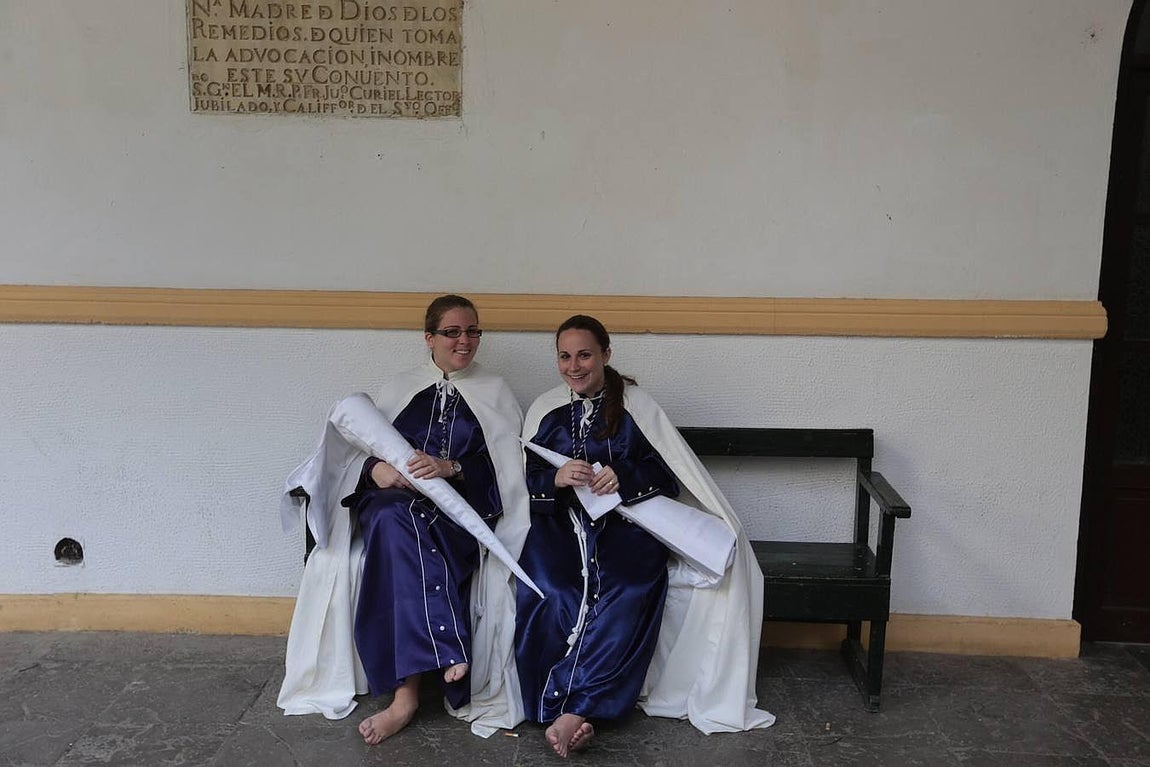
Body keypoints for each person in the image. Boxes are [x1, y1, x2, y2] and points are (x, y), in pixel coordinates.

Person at [516, 315, 774, 757]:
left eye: (584, 355)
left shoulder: (637, 405)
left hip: (630, 524)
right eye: (564, 356)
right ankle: (569, 707)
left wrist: (624, 476)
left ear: (605, 355)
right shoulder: (544, 408)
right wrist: (556, 478)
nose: (573, 366)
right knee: (554, 589)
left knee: (630, 585)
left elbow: (670, 472)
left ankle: (577, 709)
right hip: (560, 524)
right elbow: (524, 476)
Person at [277, 295, 530, 744]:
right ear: (429, 338)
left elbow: (509, 469)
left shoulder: (496, 391)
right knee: (396, 520)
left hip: (457, 517)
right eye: (452, 332)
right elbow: (351, 457)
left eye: (473, 331)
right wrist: (378, 470)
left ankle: (406, 695)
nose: (465, 340)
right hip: (391, 507)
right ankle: (428, 669)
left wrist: (449, 468)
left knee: (406, 534)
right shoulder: (397, 388)